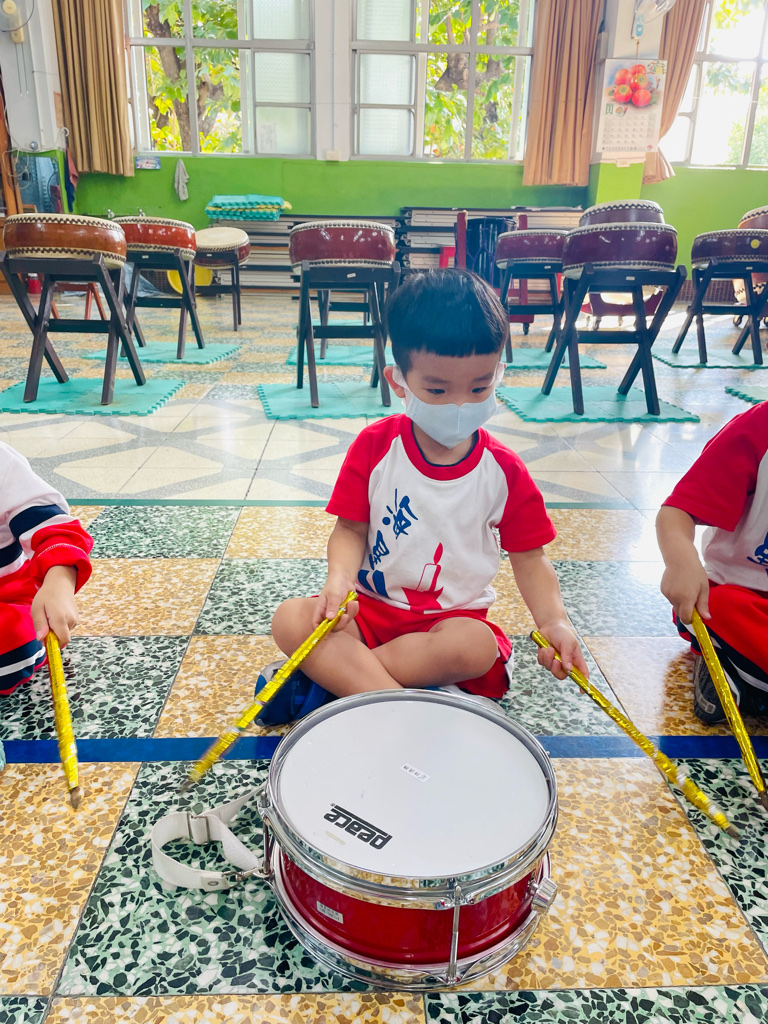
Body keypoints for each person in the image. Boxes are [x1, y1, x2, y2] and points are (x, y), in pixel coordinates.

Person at [258, 269, 587, 724]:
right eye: (437, 389)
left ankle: (338, 684)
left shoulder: (504, 471)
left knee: (475, 647)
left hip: (446, 627)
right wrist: (339, 579)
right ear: (399, 382)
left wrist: (554, 622)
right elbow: (350, 529)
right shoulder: (375, 448)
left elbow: (530, 558)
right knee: (290, 619)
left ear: (499, 373)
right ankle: (399, 703)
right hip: (368, 616)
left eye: (479, 387)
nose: (460, 404)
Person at [656, 400, 768, 724]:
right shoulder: (758, 428)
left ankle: (738, 677)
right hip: (741, 596)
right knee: (717, 606)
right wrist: (681, 562)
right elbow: (677, 511)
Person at [0, 441, 93, 699]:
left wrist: (59, 583)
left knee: (13, 636)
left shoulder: (3, 464)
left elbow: (52, 529)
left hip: (7, 600)